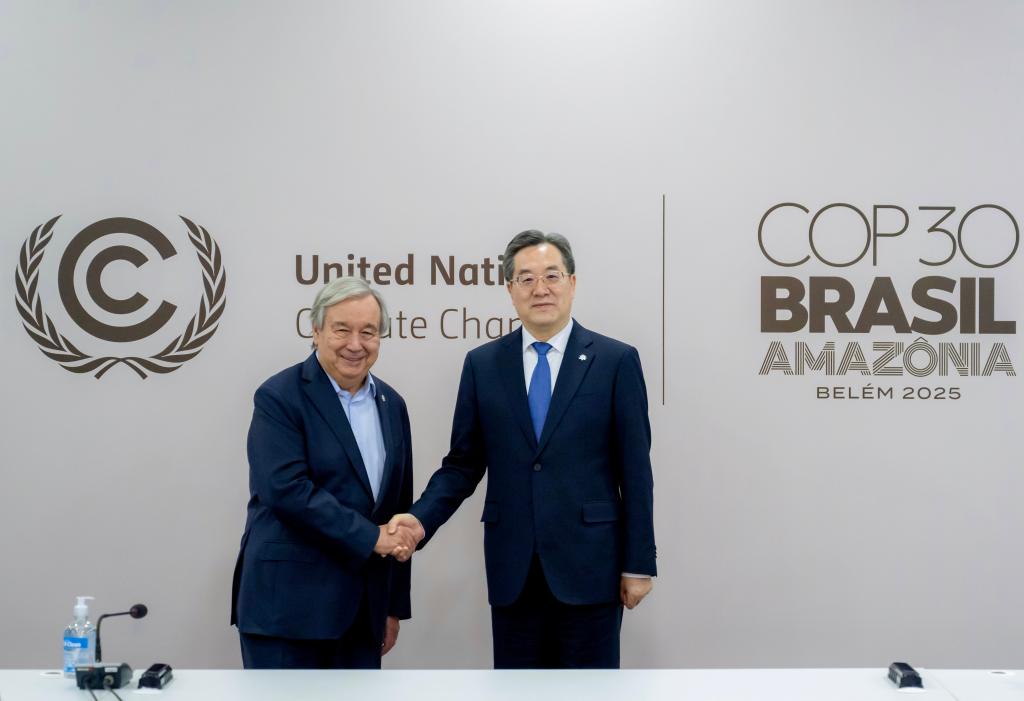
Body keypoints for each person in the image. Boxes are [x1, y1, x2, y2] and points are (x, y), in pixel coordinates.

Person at [390, 230, 656, 668]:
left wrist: (639, 563)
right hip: (513, 570)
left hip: (591, 568)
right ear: (510, 290)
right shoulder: (483, 365)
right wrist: (419, 522)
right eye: (526, 279)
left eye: (552, 276)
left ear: (572, 283)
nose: (540, 289)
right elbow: (462, 465)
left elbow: (636, 470)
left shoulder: (615, 361)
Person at [230, 278, 419, 669]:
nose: (355, 344)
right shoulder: (279, 396)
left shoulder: (392, 404)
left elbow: (397, 509)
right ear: (316, 331)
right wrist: (372, 538)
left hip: (362, 615)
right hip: (287, 613)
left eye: (368, 332)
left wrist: (391, 606)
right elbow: (286, 490)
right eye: (342, 330)